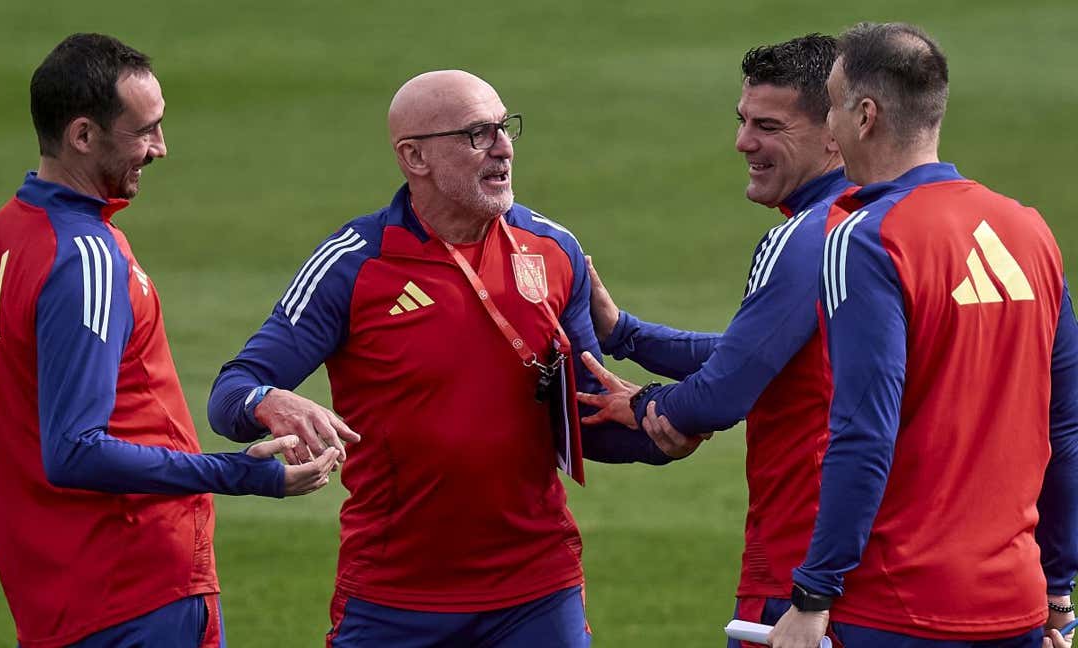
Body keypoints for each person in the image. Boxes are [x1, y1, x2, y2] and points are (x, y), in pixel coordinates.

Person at [206, 69, 677, 647]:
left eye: (505, 128)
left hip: (537, 589)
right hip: (394, 597)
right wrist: (268, 400)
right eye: (477, 133)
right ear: (414, 157)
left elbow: (584, 411)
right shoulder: (353, 265)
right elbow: (232, 390)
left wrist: (668, 424)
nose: (503, 146)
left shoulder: (553, 249)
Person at [0, 33, 344, 648]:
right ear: (82, 135)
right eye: (144, 130)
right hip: (138, 591)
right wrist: (244, 474)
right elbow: (74, 450)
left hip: (52, 605)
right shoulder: (86, 259)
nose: (160, 148)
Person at [768, 22, 1078, 648]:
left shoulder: (866, 239)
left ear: (864, 116)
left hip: (898, 610)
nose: (826, 124)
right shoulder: (1031, 232)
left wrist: (813, 594)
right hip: (1015, 608)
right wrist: (1058, 586)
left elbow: (863, 431)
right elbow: (1065, 427)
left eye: (830, 104)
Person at [575, 35, 851, 646]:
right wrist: (625, 333)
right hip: (884, 561)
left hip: (802, 562)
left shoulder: (812, 235)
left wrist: (648, 406)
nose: (743, 142)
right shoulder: (889, 221)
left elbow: (724, 391)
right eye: (742, 120)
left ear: (836, 132)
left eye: (769, 126)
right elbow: (768, 356)